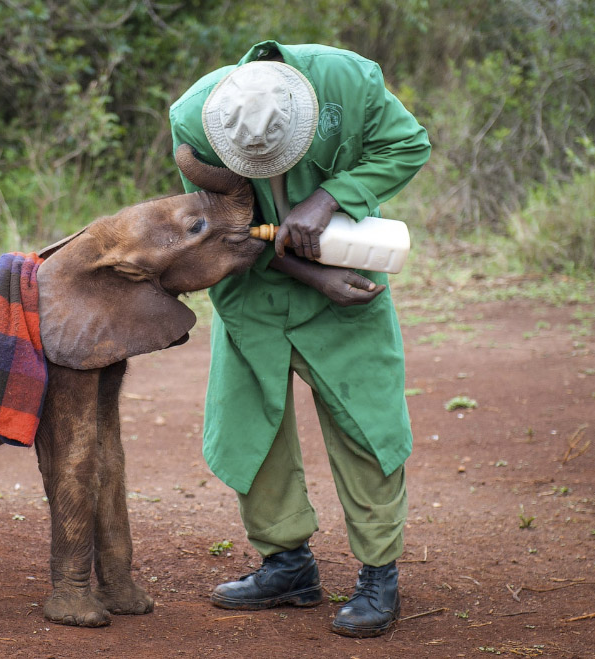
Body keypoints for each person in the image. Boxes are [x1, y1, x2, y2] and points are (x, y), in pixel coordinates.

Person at [169, 41, 431, 638]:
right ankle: (286, 565)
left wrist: (329, 197)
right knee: (251, 424)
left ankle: (378, 574)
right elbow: (216, 229)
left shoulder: (350, 82)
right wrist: (312, 274)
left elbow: (409, 145)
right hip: (253, 282)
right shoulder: (194, 119)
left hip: (351, 278)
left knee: (365, 420)